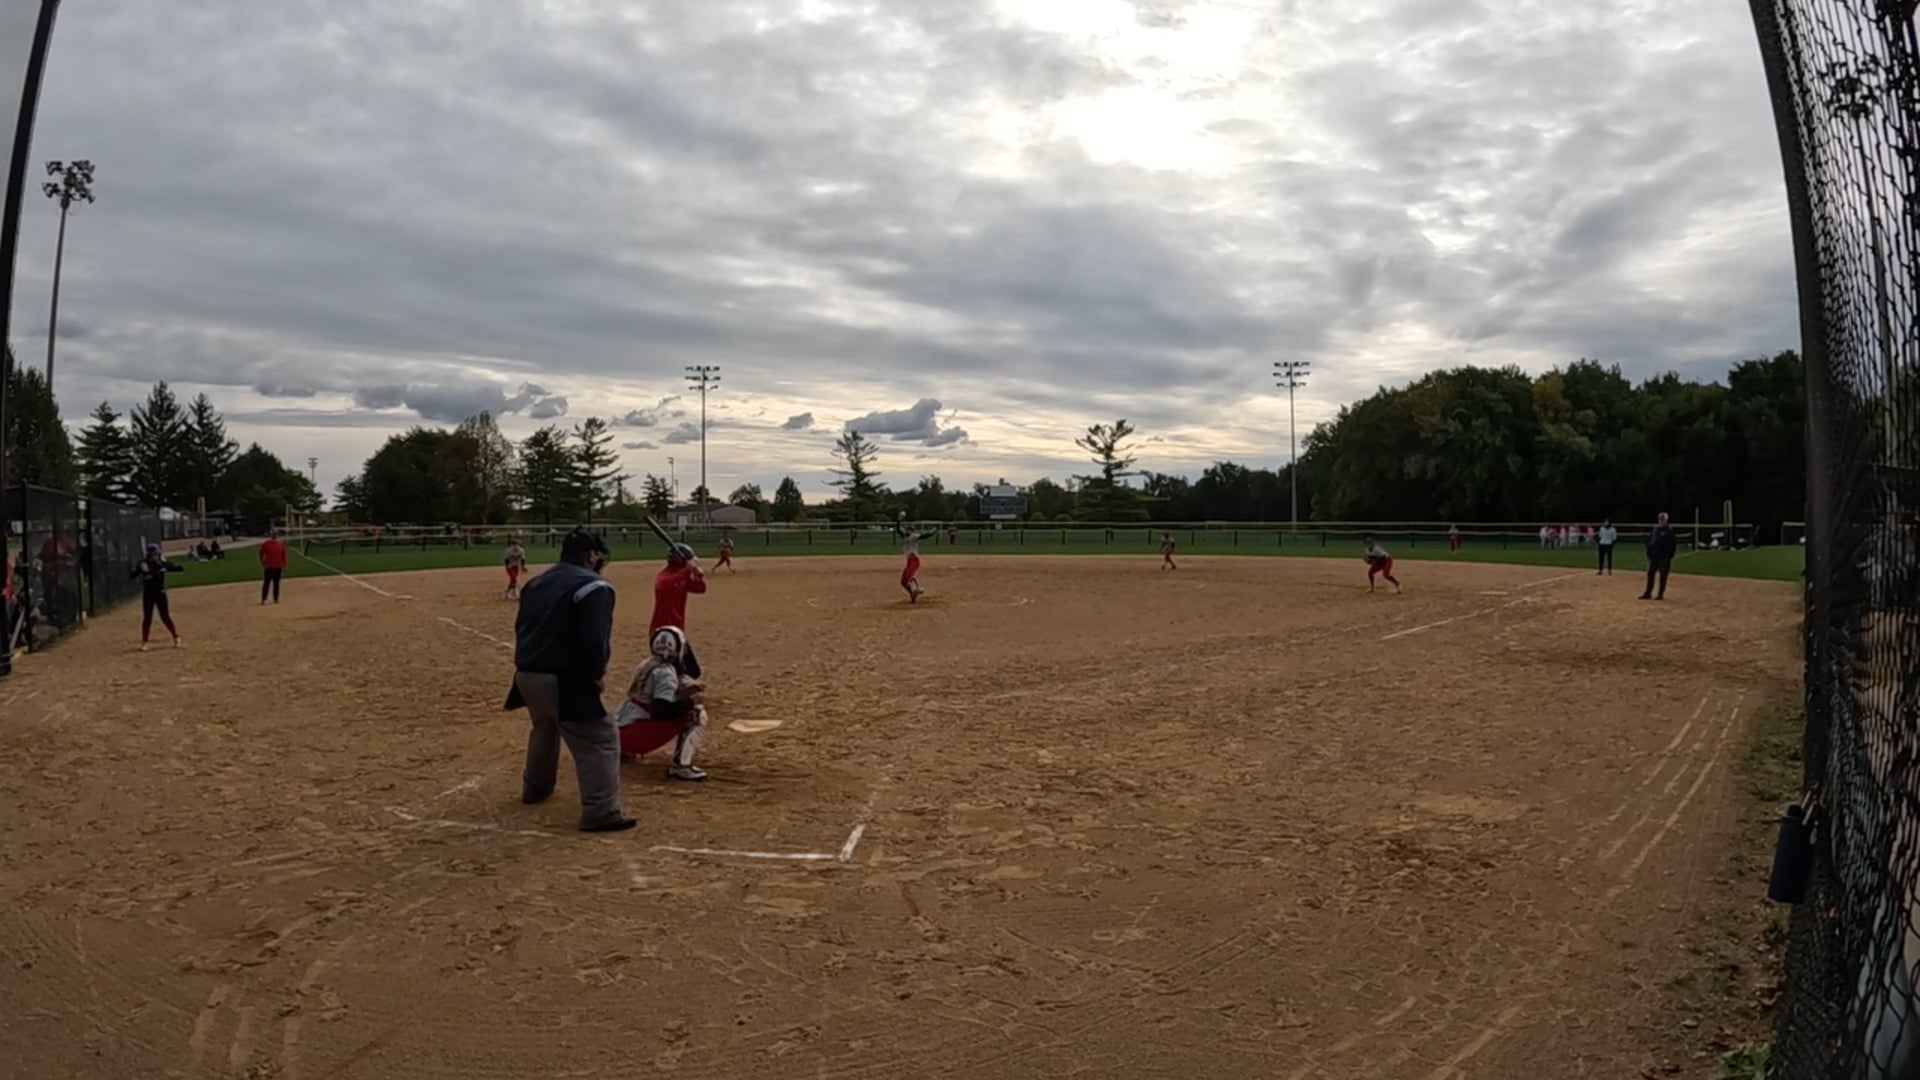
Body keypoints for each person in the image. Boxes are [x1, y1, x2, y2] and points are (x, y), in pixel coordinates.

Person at [504, 527, 634, 832]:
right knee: (599, 739)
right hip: (563, 679)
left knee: (545, 727)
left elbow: (521, 627)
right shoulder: (594, 587)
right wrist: (595, 674)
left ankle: (535, 788)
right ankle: (601, 812)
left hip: (526, 676)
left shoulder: (536, 583)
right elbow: (594, 639)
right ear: (590, 556)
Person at [614, 626, 711, 781]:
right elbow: (661, 710)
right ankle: (681, 766)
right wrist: (689, 702)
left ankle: (623, 752)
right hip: (633, 737)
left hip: (618, 732)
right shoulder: (666, 673)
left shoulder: (647, 664)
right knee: (696, 713)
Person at [651, 542, 708, 679]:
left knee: (693, 671)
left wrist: (698, 575)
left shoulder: (680, 576)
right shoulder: (664, 578)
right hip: (664, 633)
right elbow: (671, 583)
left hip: (677, 630)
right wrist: (688, 569)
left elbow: (700, 589)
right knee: (676, 673)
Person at [131, 543, 184, 650]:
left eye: (156, 554)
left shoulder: (161, 562)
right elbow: (138, 574)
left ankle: (176, 637)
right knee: (147, 618)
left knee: (165, 617)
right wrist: (133, 571)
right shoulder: (143, 564)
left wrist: (171, 567)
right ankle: (144, 642)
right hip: (148, 594)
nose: (155, 556)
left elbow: (172, 567)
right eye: (153, 554)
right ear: (149, 555)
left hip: (160, 593)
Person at [1640, 512, 1678, 601]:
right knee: (1650, 574)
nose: (1661, 521)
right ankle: (1648, 593)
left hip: (1664, 557)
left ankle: (1660, 594)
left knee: (1663, 576)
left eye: (1663, 519)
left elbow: (1673, 544)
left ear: (1666, 520)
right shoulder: (1655, 530)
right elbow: (1651, 541)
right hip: (1654, 556)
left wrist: (1670, 555)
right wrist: (1649, 551)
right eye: (1660, 519)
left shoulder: (1669, 531)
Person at [895, 514, 931, 601]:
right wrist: (898, 521)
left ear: (912, 531)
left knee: (909, 576)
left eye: (910, 530)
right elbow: (898, 530)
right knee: (903, 582)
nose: (908, 531)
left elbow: (923, 536)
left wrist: (931, 533)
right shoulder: (904, 536)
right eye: (907, 529)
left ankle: (917, 588)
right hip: (909, 561)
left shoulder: (914, 536)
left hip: (914, 560)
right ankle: (912, 593)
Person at [258, 528, 287, 605]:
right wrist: (262, 561)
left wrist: (284, 565)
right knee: (267, 583)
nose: (274, 535)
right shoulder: (266, 543)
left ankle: (275, 598)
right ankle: (263, 599)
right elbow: (261, 552)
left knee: (276, 583)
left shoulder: (281, 543)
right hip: (269, 566)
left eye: (275, 534)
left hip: (278, 566)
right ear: (271, 535)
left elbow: (283, 554)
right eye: (273, 534)